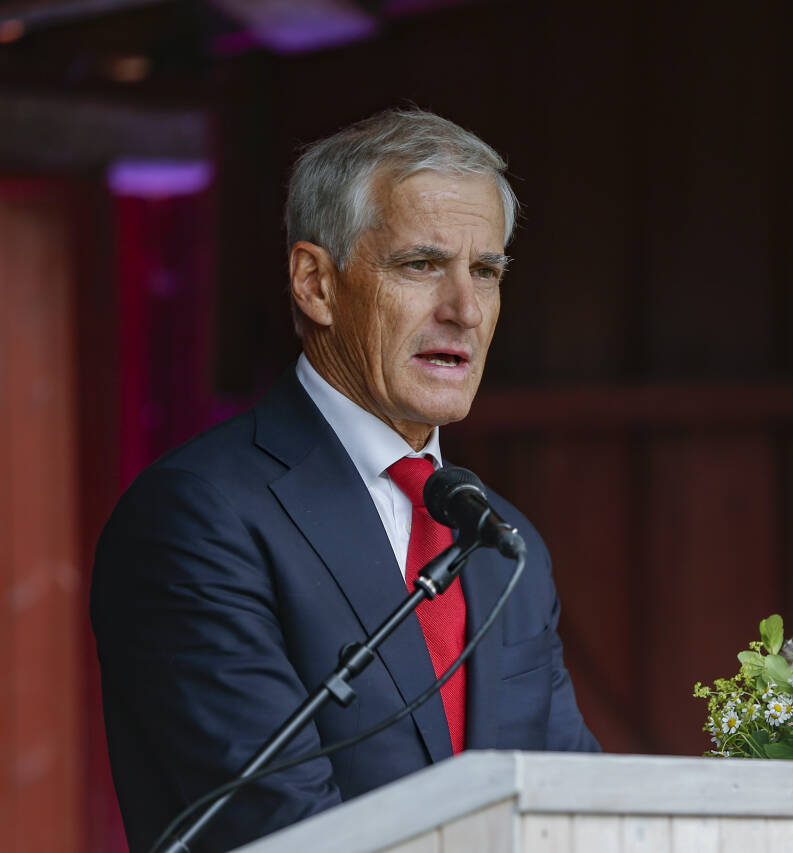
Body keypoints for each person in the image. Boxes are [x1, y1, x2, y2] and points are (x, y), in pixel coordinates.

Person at [90, 109, 599, 852]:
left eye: (485, 271)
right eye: (421, 264)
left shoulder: (501, 542)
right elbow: (278, 826)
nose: (464, 309)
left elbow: (575, 808)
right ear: (316, 284)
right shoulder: (199, 517)